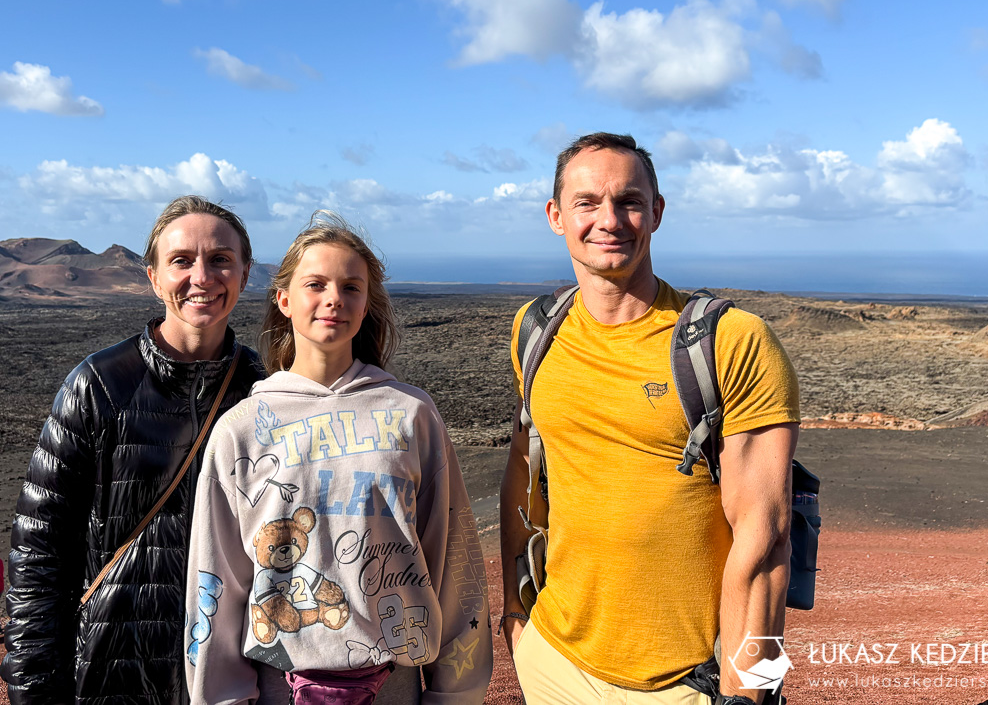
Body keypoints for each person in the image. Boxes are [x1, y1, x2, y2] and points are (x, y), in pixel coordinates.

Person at [499, 133, 800, 705]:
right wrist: (517, 615)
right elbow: (525, 470)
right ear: (555, 215)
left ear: (657, 212)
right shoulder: (535, 330)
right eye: (587, 202)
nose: (609, 220)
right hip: (553, 661)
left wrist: (749, 697)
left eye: (629, 201)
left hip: (686, 685)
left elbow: (766, 544)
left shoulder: (733, 342)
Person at [186, 213, 493, 705]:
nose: (334, 299)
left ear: (365, 303)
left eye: (351, 286)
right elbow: (217, 577)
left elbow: (453, 560)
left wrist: (455, 692)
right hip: (276, 689)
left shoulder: (411, 415)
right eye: (316, 284)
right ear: (284, 300)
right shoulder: (241, 430)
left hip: (394, 685)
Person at [0, 195, 266, 705]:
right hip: (108, 674)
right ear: (153, 276)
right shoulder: (99, 385)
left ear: (245, 273)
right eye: (182, 260)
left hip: (228, 679)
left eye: (220, 260)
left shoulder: (263, 392)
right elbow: (40, 551)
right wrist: (33, 687)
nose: (202, 277)